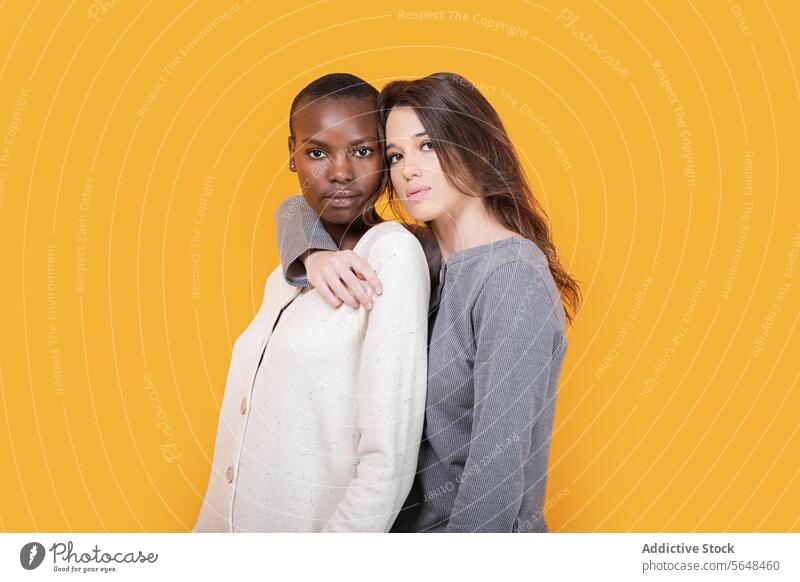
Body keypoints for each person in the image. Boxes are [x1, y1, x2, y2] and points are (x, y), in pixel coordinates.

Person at [275, 72, 581, 532]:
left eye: (428, 146)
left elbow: (496, 478)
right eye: (395, 155)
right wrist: (313, 254)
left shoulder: (511, 277)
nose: (408, 169)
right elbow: (297, 208)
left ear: (476, 146)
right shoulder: (413, 254)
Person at [192, 73, 430, 533]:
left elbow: (389, 462)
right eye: (317, 153)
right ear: (292, 155)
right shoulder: (284, 277)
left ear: (385, 156)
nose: (340, 172)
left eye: (363, 151)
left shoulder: (392, 254)